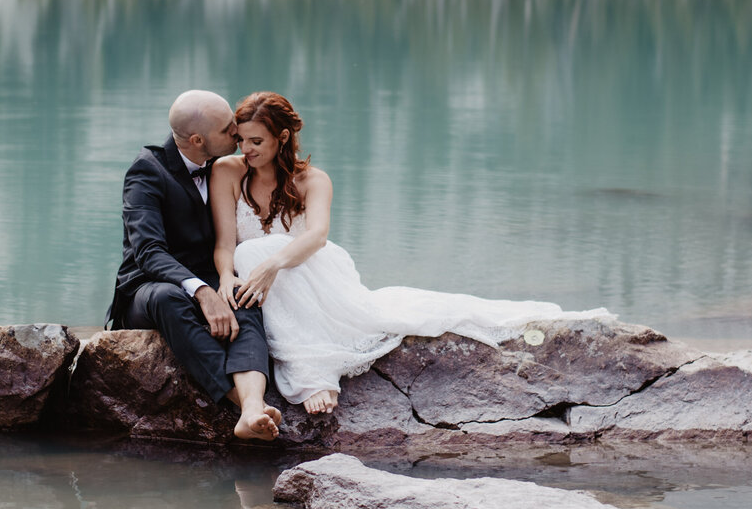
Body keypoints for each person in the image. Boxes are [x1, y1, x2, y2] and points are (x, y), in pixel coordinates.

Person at [210, 92, 613, 415]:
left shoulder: (312, 180)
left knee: (261, 253)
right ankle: (300, 354)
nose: (246, 149)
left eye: (256, 141)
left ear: (282, 137)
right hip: (265, 280)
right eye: (241, 140)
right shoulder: (228, 172)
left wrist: (272, 265)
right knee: (246, 255)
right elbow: (226, 243)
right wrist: (227, 277)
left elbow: (316, 236)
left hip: (315, 272)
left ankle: (313, 371)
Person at [107, 90, 282, 441]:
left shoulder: (225, 166)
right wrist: (201, 291)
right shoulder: (147, 171)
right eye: (228, 129)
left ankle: (251, 408)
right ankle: (239, 400)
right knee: (168, 299)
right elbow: (148, 251)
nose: (237, 134)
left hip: (207, 276)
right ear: (198, 140)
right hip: (148, 288)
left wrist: (223, 282)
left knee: (242, 297)